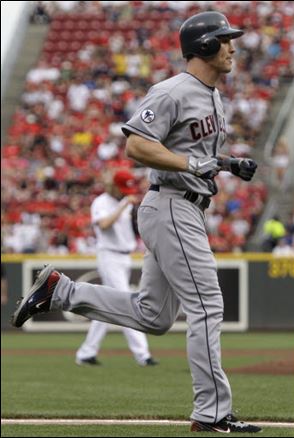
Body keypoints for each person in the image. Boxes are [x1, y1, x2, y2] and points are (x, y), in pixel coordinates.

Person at [12, 11, 261, 433]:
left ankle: (62, 291)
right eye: (224, 39)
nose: (232, 46)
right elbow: (137, 146)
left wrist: (227, 162)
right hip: (171, 205)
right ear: (202, 46)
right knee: (207, 306)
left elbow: (191, 152)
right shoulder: (170, 91)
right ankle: (212, 413)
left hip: (184, 207)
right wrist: (194, 163)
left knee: (154, 316)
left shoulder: (213, 95)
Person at [75, 169, 158, 367]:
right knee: (126, 303)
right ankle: (143, 354)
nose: (124, 192)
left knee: (107, 307)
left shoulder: (127, 203)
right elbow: (103, 225)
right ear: (112, 185)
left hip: (125, 257)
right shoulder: (102, 202)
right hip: (109, 256)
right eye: (121, 188)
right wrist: (122, 206)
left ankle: (86, 353)